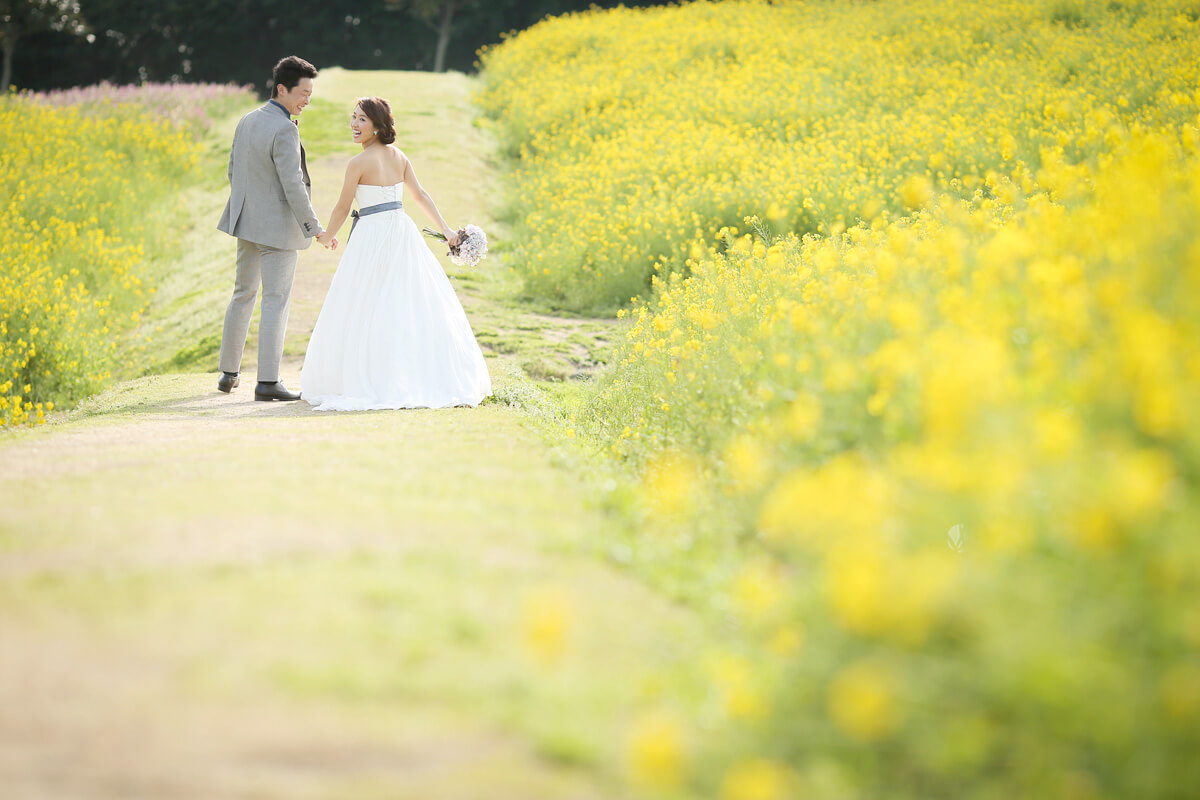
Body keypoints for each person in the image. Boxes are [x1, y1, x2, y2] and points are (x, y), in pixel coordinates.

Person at [299, 96, 492, 410]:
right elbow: (420, 196)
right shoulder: (399, 156)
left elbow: (343, 207)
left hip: (373, 235)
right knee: (403, 300)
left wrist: (326, 236)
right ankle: (405, 374)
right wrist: (447, 231)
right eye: (353, 118)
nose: (354, 124)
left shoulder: (357, 163)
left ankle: (376, 376)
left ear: (377, 125)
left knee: (367, 302)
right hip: (401, 231)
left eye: (362, 119)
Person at [215, 55, 335, 401]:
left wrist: (249, 209)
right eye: (303, 93)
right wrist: (315, 228)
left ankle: (228, 373)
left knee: (242, 294)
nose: (307, 101)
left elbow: (233, 171)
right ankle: (267, 381)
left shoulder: (247, 120)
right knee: (275, 301)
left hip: (246, 224)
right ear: (282, 89)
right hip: (278, 231)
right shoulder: (284, 128)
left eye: (310, 94)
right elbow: (293, 185)